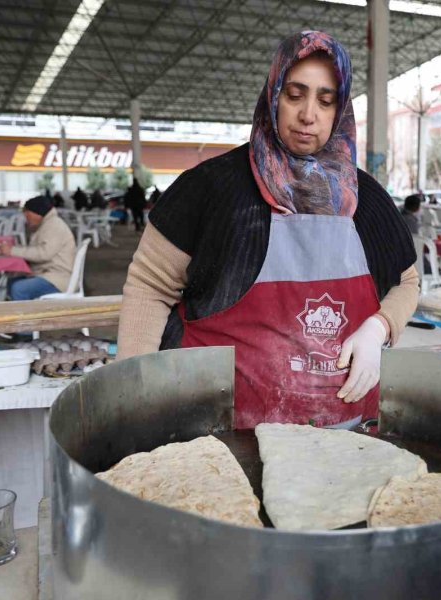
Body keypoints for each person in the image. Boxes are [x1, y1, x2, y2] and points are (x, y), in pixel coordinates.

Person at [117, 31, 418, 429]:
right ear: (273, 96)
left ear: (339, 111)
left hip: (344, 434)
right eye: (295, 95)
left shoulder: (367, 198)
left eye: (325, 101)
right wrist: (136, 397)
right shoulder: (209, 187)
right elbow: (149, 288)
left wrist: (379, 327)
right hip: (222, 434)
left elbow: (408, 282)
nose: (309, 114)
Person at [0, 196, 76, 300]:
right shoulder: (46, 224)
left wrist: (12, 251)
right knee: (11, 282)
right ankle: (22, 312)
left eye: (28, 215)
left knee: (18, 288)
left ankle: (25, 316)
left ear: (37, 213)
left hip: (58, 279)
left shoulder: (53, 226)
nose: (27, 219)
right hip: (49, 274)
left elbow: (44, 253)